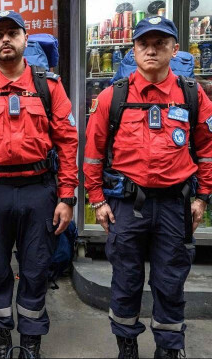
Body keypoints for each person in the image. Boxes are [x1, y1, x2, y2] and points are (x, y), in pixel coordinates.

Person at [0, 11, 78, 358]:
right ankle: (2, 347)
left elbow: (68, 142)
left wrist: (67, 196)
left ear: (25, 40)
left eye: (12, 33)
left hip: (40, 191)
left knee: (36, 269)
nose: (5, 39)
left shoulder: (48, 86)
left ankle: (31, 346)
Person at [84, 16, 212, 359]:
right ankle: (126, 346)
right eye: (144, 44)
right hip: (127, 206)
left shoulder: (191, 93)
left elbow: (207, 149)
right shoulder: (114, 96)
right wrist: (97, 201)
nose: (151, 50)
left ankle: (169, 349)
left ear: (173, 48)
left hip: (175, 206)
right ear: (134, 49)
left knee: (170, 283)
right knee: (125, 281)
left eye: (160, 43)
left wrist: (202, 197)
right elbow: (94, 154)